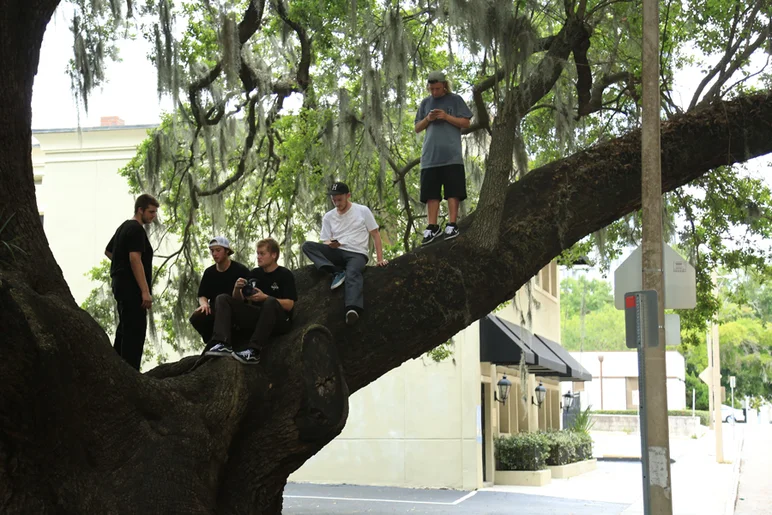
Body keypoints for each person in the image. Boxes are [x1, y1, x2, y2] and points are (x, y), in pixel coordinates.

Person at [301, 182, 388, 326]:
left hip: (357, 253)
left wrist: (380, 259)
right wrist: (332, 244)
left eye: (339, 199)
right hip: (337, 251)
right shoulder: (328, 217)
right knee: (307, 246)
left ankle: (352, 309)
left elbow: (375, 234)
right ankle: (336, 272)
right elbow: (325, 241)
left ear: (348, 196)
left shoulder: (362, 210)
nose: (336, 203)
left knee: (353, 272)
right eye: (333, 200)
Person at [205, 238, 297, 365]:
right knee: (222, 298)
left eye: (262, 254)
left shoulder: (285, 274)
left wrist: (265, 297)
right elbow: (239, 300)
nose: (258, 257)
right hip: (258, 317)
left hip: (279, 321)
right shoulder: (255, 273)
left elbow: (290, 305)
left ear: (273, 255)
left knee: (269, 302)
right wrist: (237, 288)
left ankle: (254, 351)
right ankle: (222, 343)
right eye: (257, 253)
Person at [414, 70, 473, 245]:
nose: (434, 92)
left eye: (437, 88)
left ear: (444, 86)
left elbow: (466, 122)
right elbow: (417, 127)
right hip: (430, 157)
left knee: (453, 192)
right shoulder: (425, 103)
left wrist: (446, 116)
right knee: (431, 194)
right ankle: (432, 227)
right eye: (431, 89)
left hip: (451, 156)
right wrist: (428, 118)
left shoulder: (455, 100)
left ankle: (452, 224)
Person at [104, 194, 159, 370]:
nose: (153, 216)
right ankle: (130, 371)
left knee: (125, 328)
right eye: (151, 211)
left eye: (155, 212)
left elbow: (109, 251)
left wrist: (121, 266)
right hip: (131, 288)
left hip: (120, 285)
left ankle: (117, 367)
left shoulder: (123, 228)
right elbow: (135, 258)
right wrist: (144, 290)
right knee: (135, 331)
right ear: (140, 210)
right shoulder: (135, 229)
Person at [189, 236, 250, 347]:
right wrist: (204, 304)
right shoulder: (209, 272)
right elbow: (202, 295)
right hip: (215, 310)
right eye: (212, 251)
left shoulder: (240, 270)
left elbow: (245, 299)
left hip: (235, 310)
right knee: (197, 316)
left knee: (221, 299)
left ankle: (225, 340)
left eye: (218, 250)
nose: (214, 254)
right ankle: (212, 342)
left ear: (227, 251)